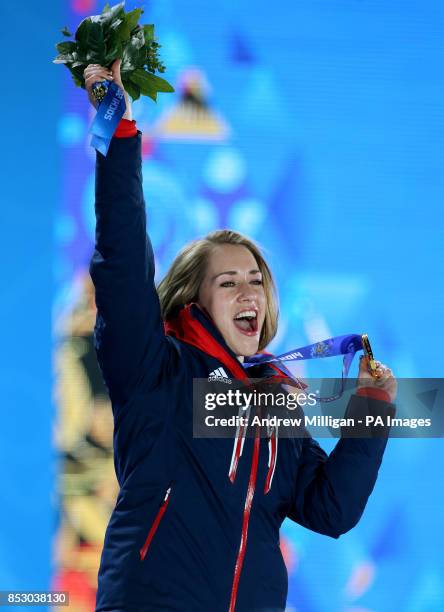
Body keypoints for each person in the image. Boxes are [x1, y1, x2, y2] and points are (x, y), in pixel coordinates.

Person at [85, 60, 397, 612]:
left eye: (257, 280)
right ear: (192, 298)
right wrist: (121, 134)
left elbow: (329, 510)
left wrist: (371, 411)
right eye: (228, 282)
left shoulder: (275, 400)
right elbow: (122, 262)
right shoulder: (156, 366)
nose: (249, 292)